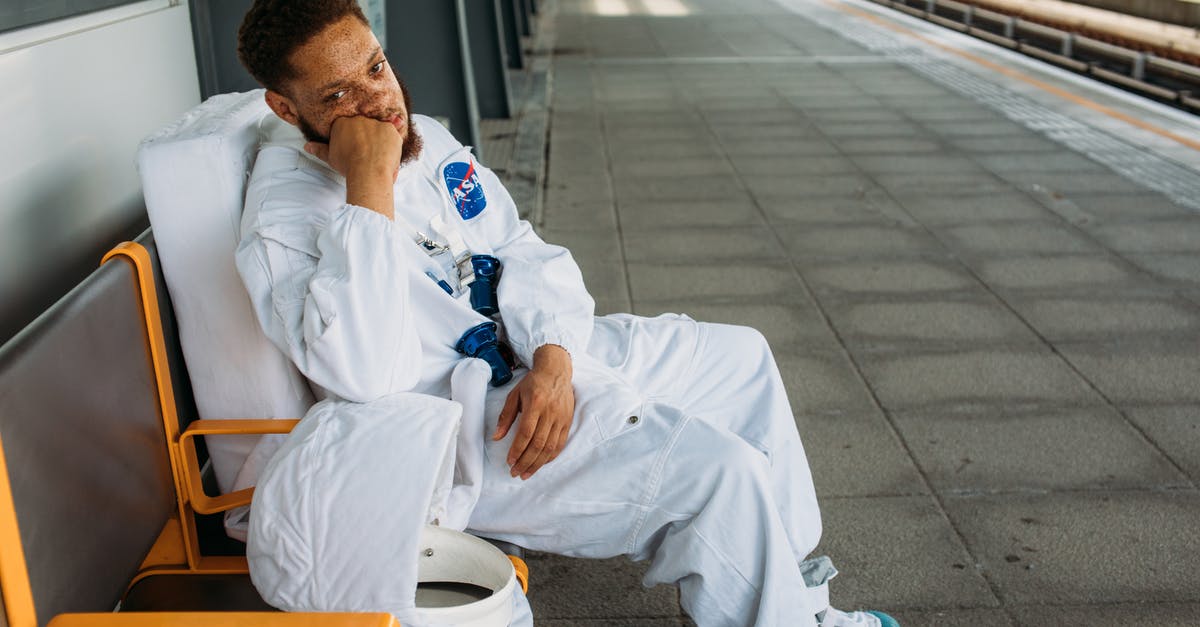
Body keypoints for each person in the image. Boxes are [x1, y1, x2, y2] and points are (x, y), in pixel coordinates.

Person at [234, 2, 898, 626]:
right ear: (285, 108)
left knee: (743, 359)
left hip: (533, 360)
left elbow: (520, 248)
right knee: (717, 473)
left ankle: (808, 605)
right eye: (339, 96)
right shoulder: (283, 222)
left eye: (376, 68)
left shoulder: (426, 139)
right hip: (471, 434)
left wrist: (554, 358)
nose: (379, 104)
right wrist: (367, 189)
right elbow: (367, 372)